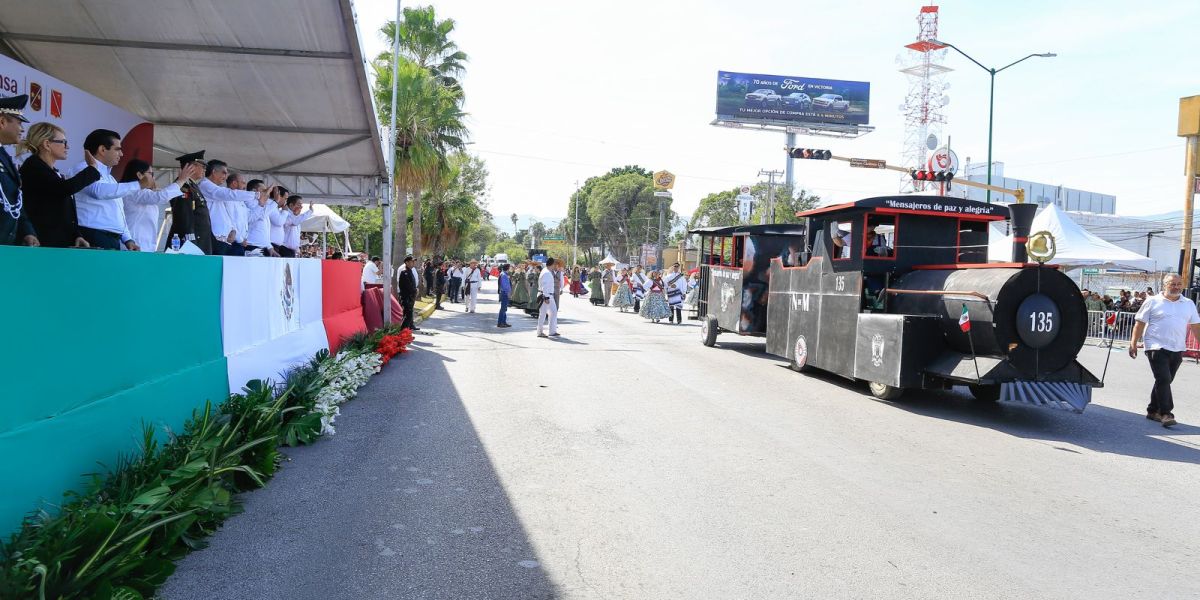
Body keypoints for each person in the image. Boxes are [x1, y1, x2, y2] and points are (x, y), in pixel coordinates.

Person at [1129, 274, 1200, 428]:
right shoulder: (1152, 301)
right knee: (1164, 379)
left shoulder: (1188, 303)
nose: (1176, 287)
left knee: (1164, 380)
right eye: (1172, 284)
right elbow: (1139, 323)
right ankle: (1166, 413)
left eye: (1179, 284)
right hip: (1155, 346)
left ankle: (1152, 410)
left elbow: (1195, 326)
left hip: (1177, 347)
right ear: (1164, 285)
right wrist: (1133, 342)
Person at [18, 122, 99, 248]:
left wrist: (76, 235)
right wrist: (92, 169)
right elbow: (65, 189)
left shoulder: (50, 171)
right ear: (46, 144)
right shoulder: (33, 167)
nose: (67, 147)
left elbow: (62, 207)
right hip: (41, 242)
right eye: (63, 142)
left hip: (58, 242)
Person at [67, 129, 142, 250]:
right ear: (102, 150)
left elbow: (118, 212)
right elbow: (98, 191)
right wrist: (139, 185)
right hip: (91, 235)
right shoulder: (82, 168)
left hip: (112, 238)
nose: (121, 154)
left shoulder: (110, 178)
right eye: (117, 149)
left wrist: (128, 239)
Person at [120, 159, 197, 252]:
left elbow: (157, 196)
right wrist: (181, 180)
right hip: (134, 246)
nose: (153, 178)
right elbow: (161, 197)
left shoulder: (140, 193)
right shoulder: (135, 192)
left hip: (142, 247)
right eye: (151, 174)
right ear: (139, 175)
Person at [197, 159, 267, 256]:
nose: (225, 177)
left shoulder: (219, 191)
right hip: (215, 238)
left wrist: (233, 230)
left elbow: (228, 216)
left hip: (226, 240)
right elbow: (228, 194)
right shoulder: (206, 185)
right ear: (214, 172)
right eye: (224, 173)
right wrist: (257, 195)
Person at [0, 94, 38, 247]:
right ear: (2, 122)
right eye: (19, 123)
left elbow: (14, 199)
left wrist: (27, 231)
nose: (22, 129)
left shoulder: (4, 155)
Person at [165, 151, 213, 254]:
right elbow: (184, 217)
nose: (205, 169)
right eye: (202, 166)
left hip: (200, 241)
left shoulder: (193, 186)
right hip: (190, 244)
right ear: (190, 167)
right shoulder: (183, 187)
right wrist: (190, 242)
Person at [536, 257, 560, 338]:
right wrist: (546, 297)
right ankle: (540, 332)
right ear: (552, 264)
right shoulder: (546, 273)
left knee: (553, 312)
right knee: (542, 314)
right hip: (545, 295)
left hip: (548, 295)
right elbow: (545, 286)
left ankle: (552, 331)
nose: (555, 266)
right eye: (554, 264)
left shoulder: (546, 271)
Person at [398, 255, 419, 330]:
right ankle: (403, 332)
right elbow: (408, 286)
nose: (413, 263)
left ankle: (406, 332)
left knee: (409, 315)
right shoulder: (405, 272)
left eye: (414, 261)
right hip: (406, 296)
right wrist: (415, 290)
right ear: (406, 262)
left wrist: (415, 290)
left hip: (411, 296)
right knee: (408, 315)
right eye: (411, 261)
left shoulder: (410, 271)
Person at [497, 263, 513, 328]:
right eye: (510, 267)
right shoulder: (504, 275)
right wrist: (508, 293)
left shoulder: (504, 274)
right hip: (504, 293)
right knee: (503, 309)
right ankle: (500, 323)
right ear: (508, 268)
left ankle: (503, 322)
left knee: (504, 309)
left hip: (504, 293)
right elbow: (505, 286)